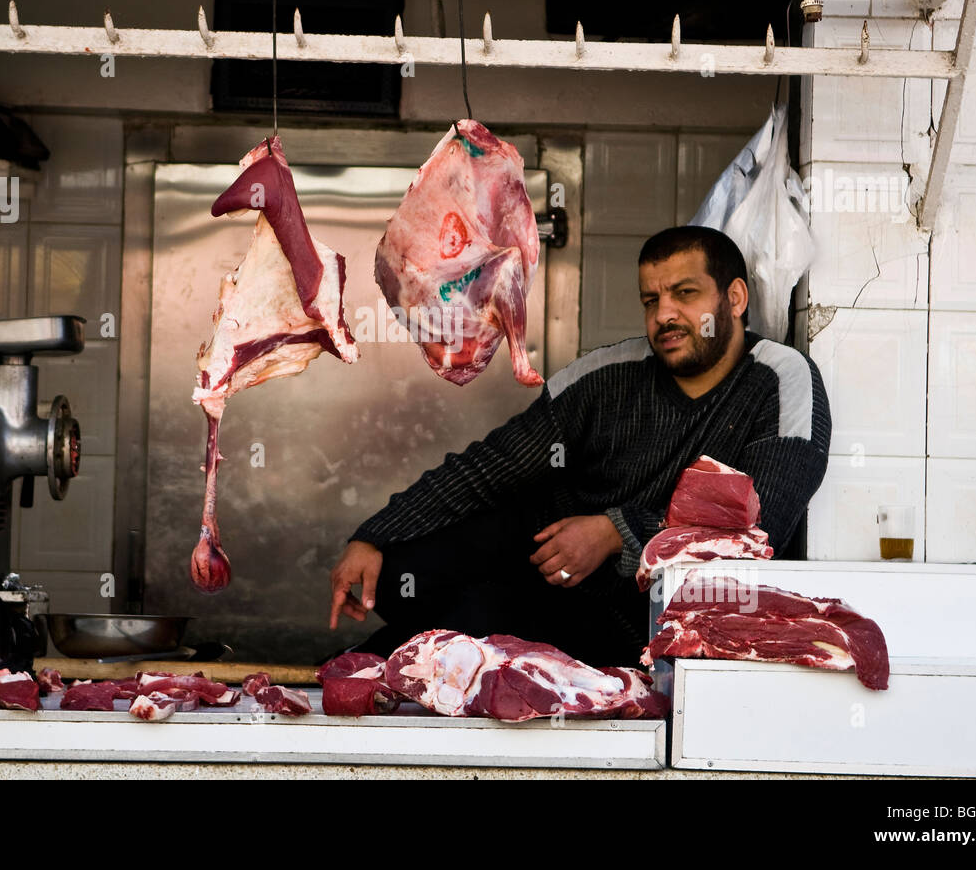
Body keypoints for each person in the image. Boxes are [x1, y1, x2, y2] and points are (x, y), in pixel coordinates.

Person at [327, 225, 831, 666]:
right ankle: (390, 651)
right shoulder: (607, 374)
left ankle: (377, 662)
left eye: (685, 293)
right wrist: (373, 534)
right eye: (651, 300)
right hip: (546, 559)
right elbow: (493, 466)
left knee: (474, 622)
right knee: (394, 577)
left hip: (640, 617)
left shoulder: (780, 379)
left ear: (736, 298)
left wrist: (617, 533)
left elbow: (760, 527)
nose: (665, 315)